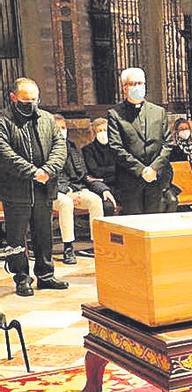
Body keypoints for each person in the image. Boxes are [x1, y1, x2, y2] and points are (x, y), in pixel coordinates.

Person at [0, 78, 69, 296]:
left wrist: (48, 170)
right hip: (15, 190)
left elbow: (60, 146)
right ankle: (21, 278)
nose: (31, 104)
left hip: (43, 189)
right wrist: (33, 172)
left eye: (34, 100)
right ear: (14, 98)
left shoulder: (47, 119)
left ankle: (46, 274)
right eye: (25, 100)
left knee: (43, 234)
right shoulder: (3, 121)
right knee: (16, 238)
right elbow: (5, 154)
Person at [107, 67, 172, 215]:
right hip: (131, 180)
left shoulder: (158, 112)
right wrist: (141, 170)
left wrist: (154, 168)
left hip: (155, 178)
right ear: (124, 87)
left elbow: (168, 143)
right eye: (133, 84)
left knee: (154, 225)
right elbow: (116, 147)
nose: (138, 87)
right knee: (135, 227)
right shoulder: (115, 114)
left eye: (141, 83)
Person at [51, 114, 106, 265]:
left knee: (95, 200)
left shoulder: (72, 146)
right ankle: (68, 247)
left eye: (63, 128)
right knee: (66, 203)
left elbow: (81, 173)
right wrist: (66, 191)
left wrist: (76, 189)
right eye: (58, 128)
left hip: (74, 188)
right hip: (53, 192)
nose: (62, 131)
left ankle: (97, 244)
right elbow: (48, 175)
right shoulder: (46, 149)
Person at [82, 118, 120, 216]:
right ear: (94, 133)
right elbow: (95, 171)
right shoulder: (88, 150)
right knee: (108, 206)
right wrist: (114, 171)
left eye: (105, 130)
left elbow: (122, 169)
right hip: (100, 187)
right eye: (99, 131)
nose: (103, 133)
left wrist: (104, 178)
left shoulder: (117, 148)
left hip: (117, 185)